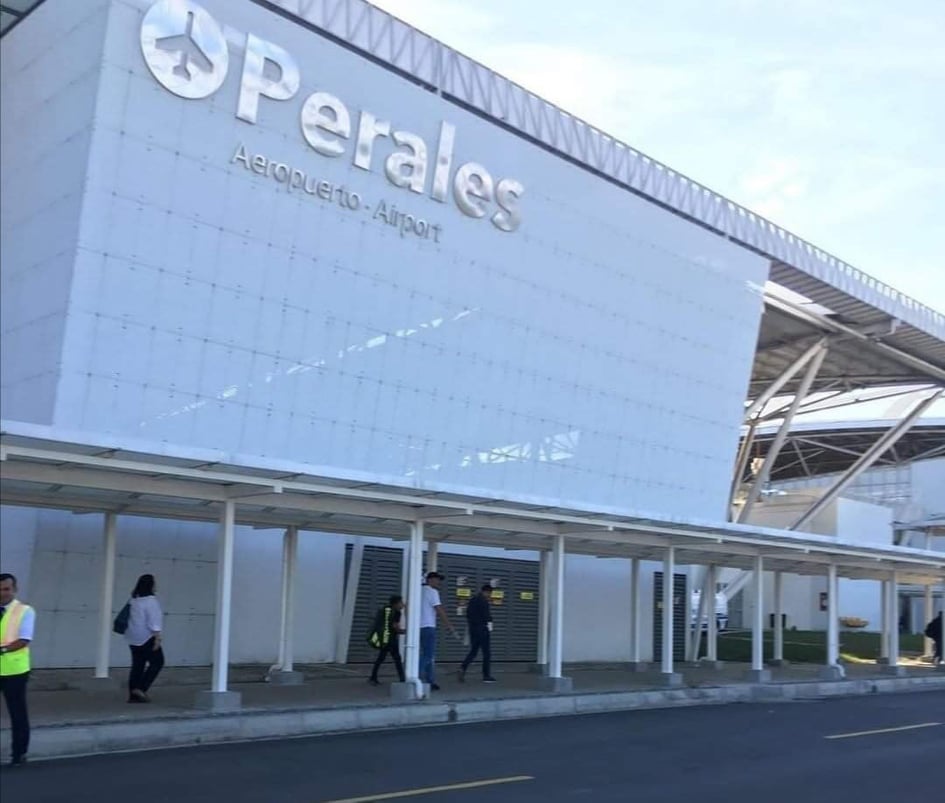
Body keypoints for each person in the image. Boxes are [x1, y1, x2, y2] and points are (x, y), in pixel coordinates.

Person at [0, 573, 34, 767]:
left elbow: (24, 640)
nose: (2, 593)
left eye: (6, 589)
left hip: (15, 671)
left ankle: (19, 753)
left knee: (17, 714)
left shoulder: (25, 611)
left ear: (14, 589)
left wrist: (3, 649)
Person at [124, 574, 164, 703]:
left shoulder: (134, 600)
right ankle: (141, 689)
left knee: (137, 665)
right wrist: (157, 637)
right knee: (158, 662)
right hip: (147, 637)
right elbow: (154, 621)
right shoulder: (151, 601)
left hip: (132, 637)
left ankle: (133, 695)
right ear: (151, 585)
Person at [419, 571, 458, 691]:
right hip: (428, 627)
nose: (439, 582)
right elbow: (439, 609)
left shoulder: (419, 591)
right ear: (430, 580)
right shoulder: (432, 592)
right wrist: (450, 626)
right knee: (428, 655)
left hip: (418, 627)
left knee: (428, 655)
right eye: (437, 579)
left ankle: (430, 681)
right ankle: (414, 675)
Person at [458, 584, 497, 683]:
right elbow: (487, 616)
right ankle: (486, 675)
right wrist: (490, 622)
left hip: (473, 629)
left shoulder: (473, 600)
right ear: (487, 592)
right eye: (489, 593)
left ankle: (463, 667)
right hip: (483, 629)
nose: (489, 596)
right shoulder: (484, 601)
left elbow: (468, 614)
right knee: (486, 653)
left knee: (473, 651)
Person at [368, 595, 406, 685]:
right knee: (397, 659)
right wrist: (404, 632)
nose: (402, 604)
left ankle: (373, 677)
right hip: (391, 639)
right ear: (396, 604)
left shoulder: (386, 609)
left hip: (384, 638)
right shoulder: (397, 612)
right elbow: (395, 626)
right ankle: (402, 678)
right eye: (401, 602)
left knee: (381, 658)